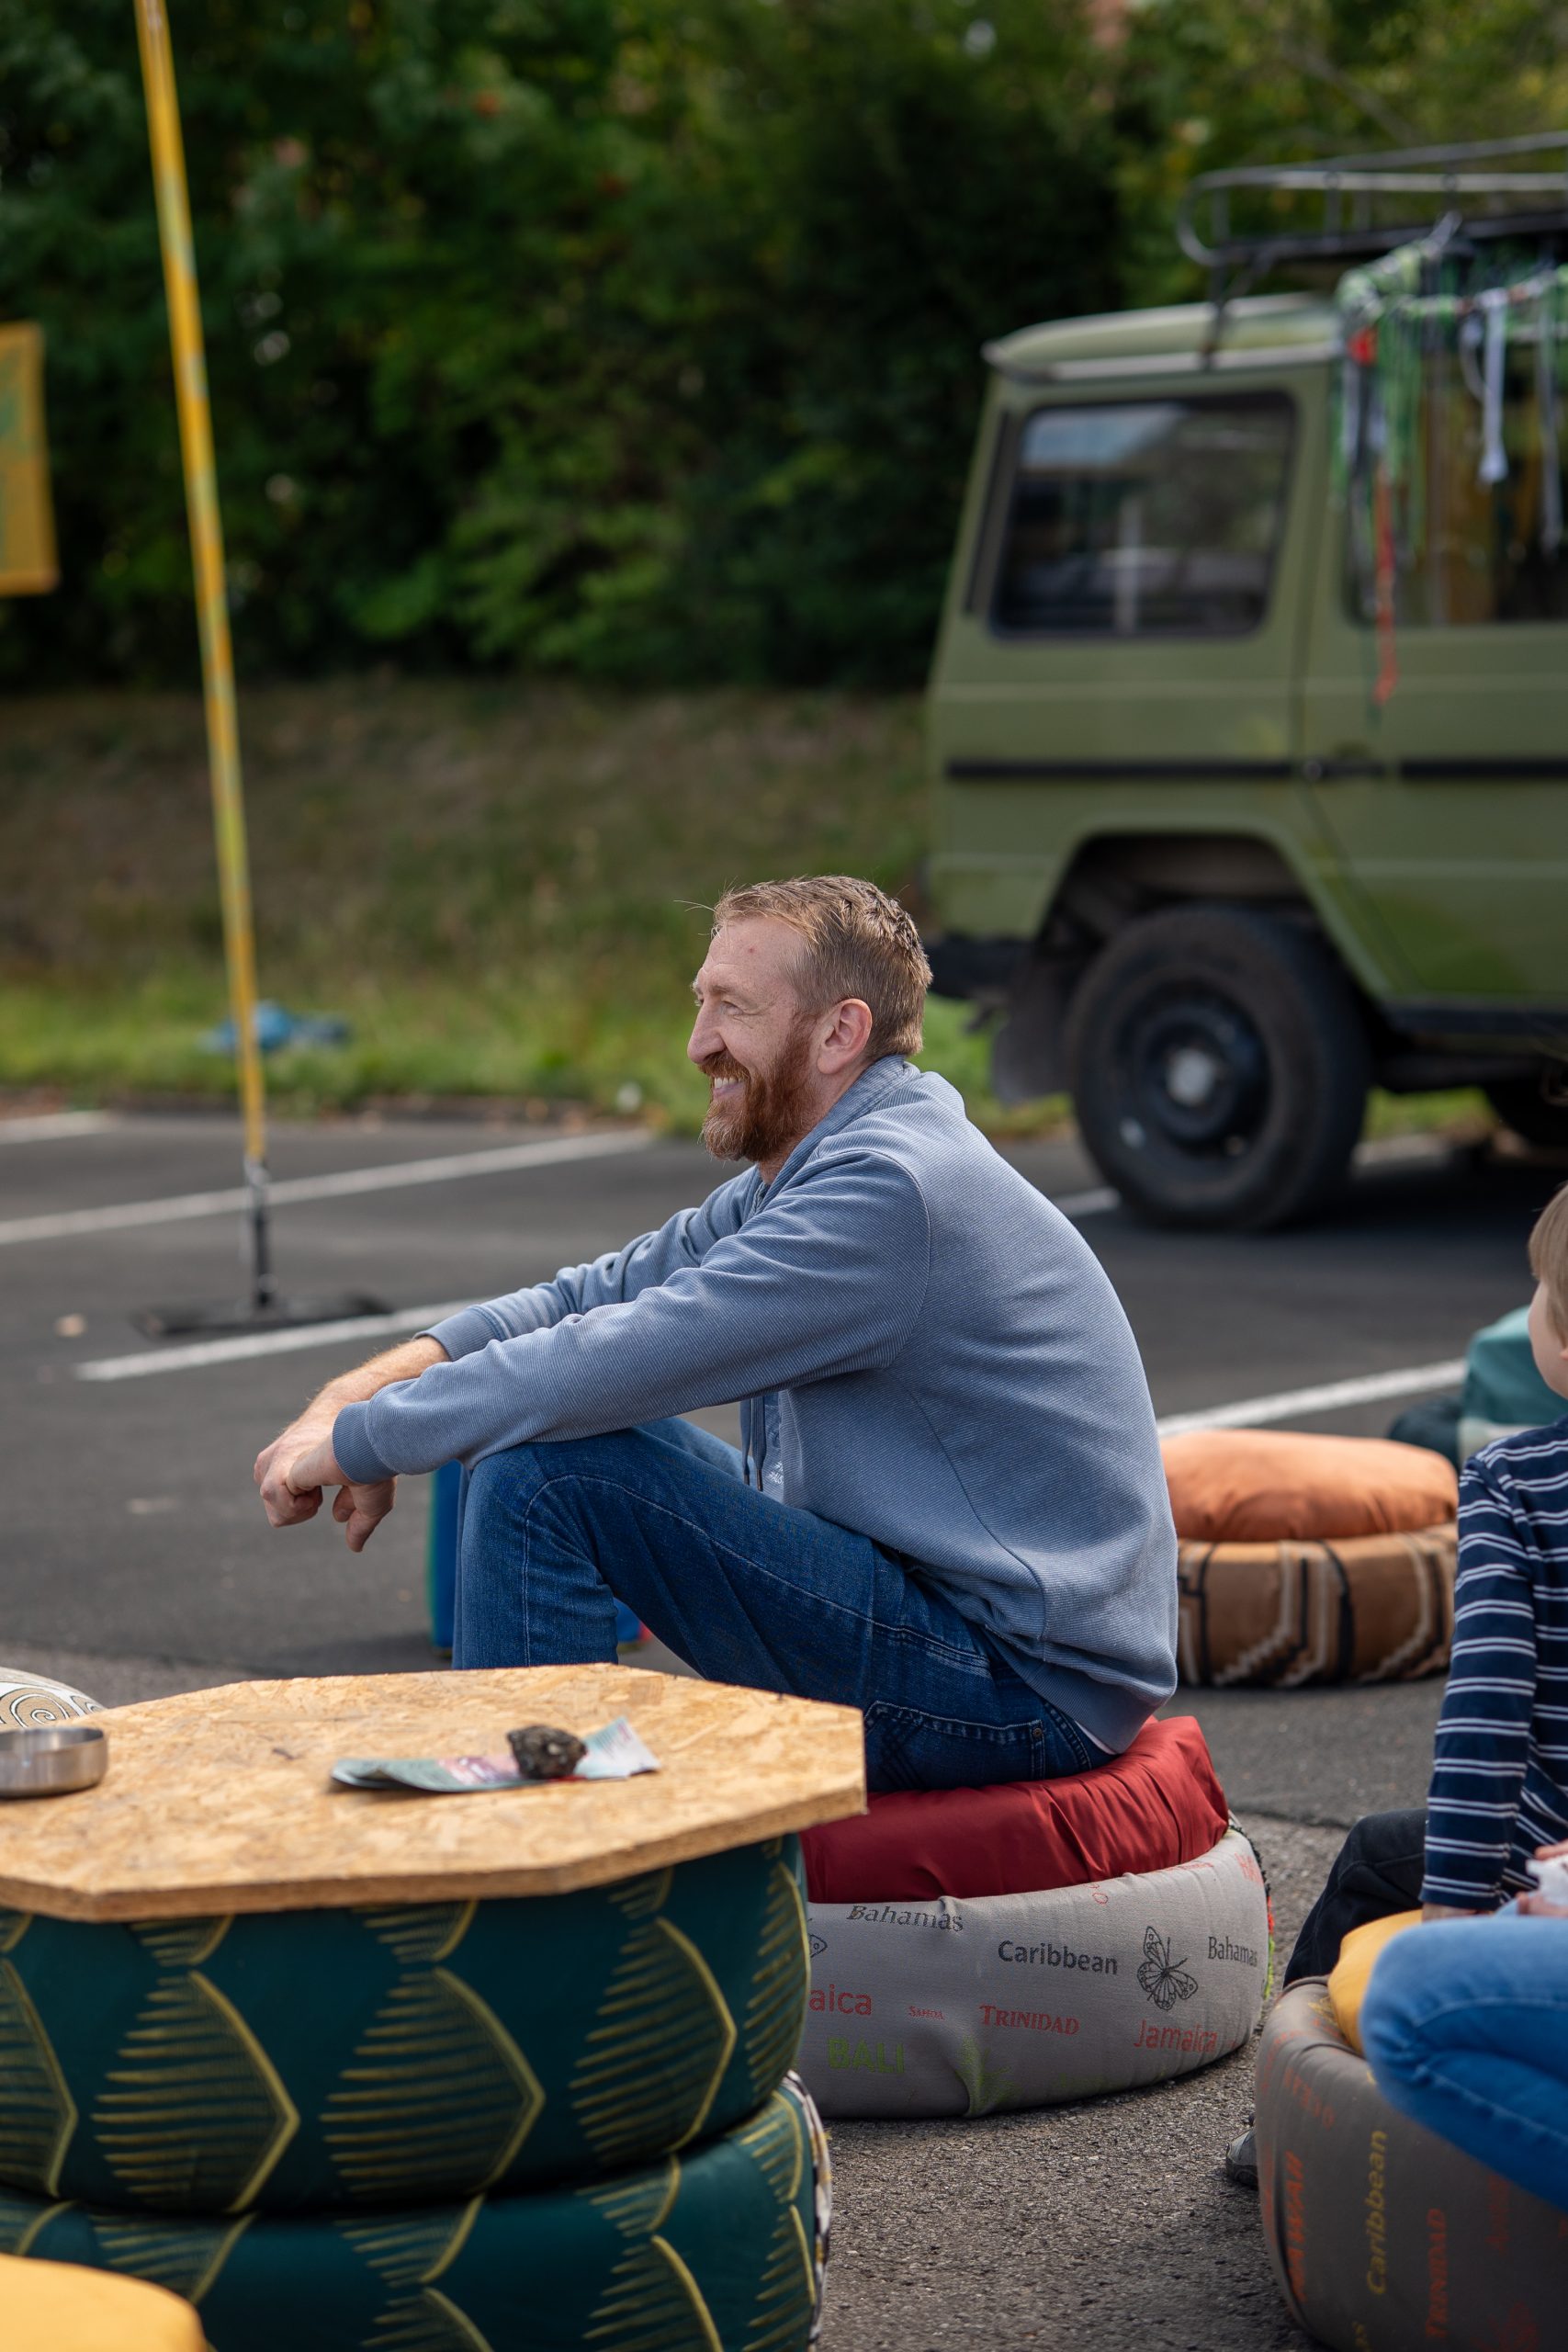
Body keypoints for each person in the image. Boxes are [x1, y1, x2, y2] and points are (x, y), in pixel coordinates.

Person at [255, 874, 1178, 1792]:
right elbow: (592, 1298)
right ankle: (540, 1797)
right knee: (538, 1436)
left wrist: (359, 1442)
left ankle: (534, 1863)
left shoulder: (887, 1193)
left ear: (839, 1033)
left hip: (1015, 1686)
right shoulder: (827, 1164)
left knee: (550, 1475)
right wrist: (364, 1389)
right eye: (701, 1001)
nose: (699, 1043)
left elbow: (614, 1357)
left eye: (733, 1007)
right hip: (945, 1613)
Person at [1226, 1177, 1568, 2187]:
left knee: (1377, 1853)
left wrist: (1454, 1912)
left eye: (1539, 1293)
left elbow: (1486, 1720)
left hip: (1538, 1857)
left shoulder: (1515, 1483)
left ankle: (1284, 2125)